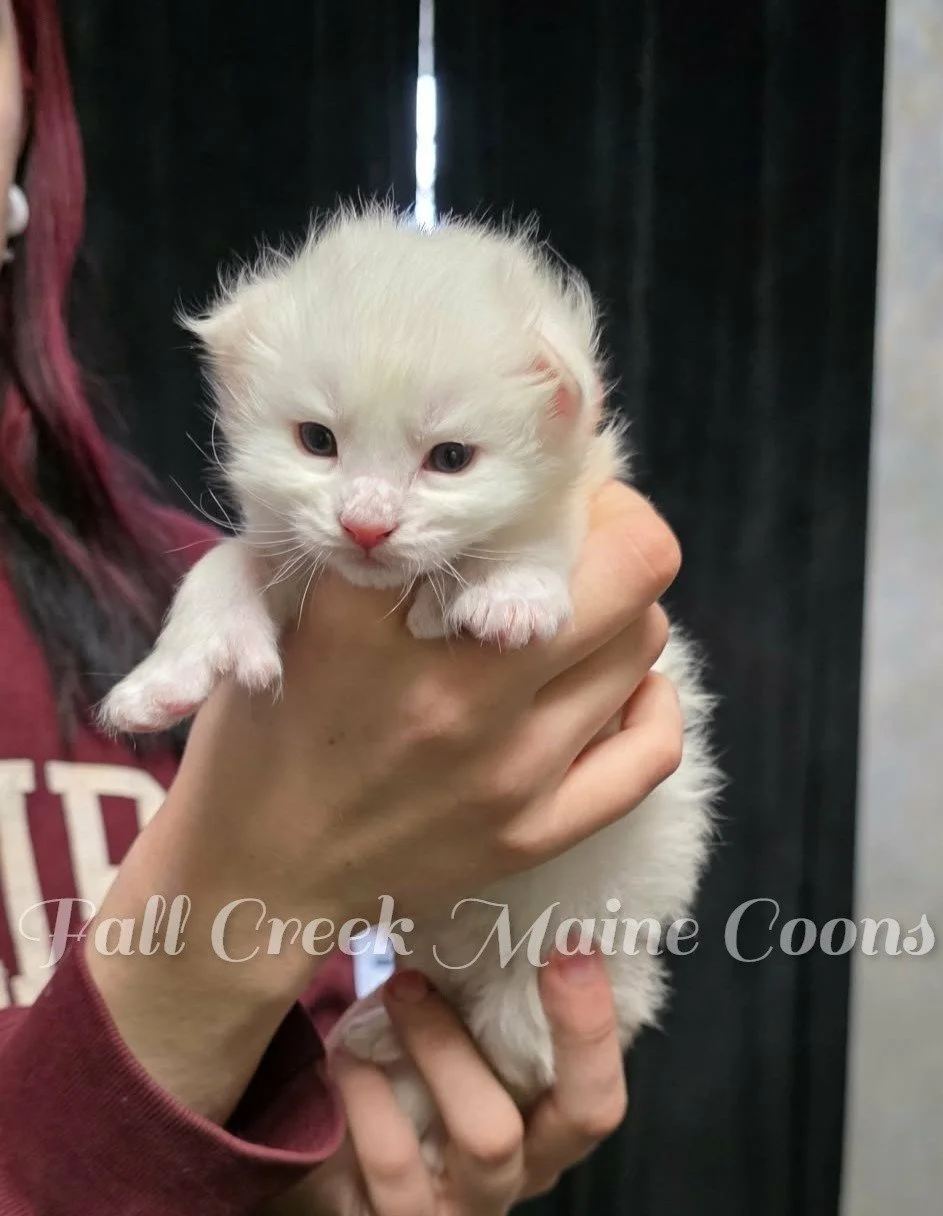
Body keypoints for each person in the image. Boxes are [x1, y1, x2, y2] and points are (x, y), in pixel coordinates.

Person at [0, 2, 685, 1213]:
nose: (366, 520)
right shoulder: (231, 577)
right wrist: (251, 868)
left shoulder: (154, 561)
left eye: (444, 460)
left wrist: (347, 1187)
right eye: (316, 441)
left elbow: (330, 1086)